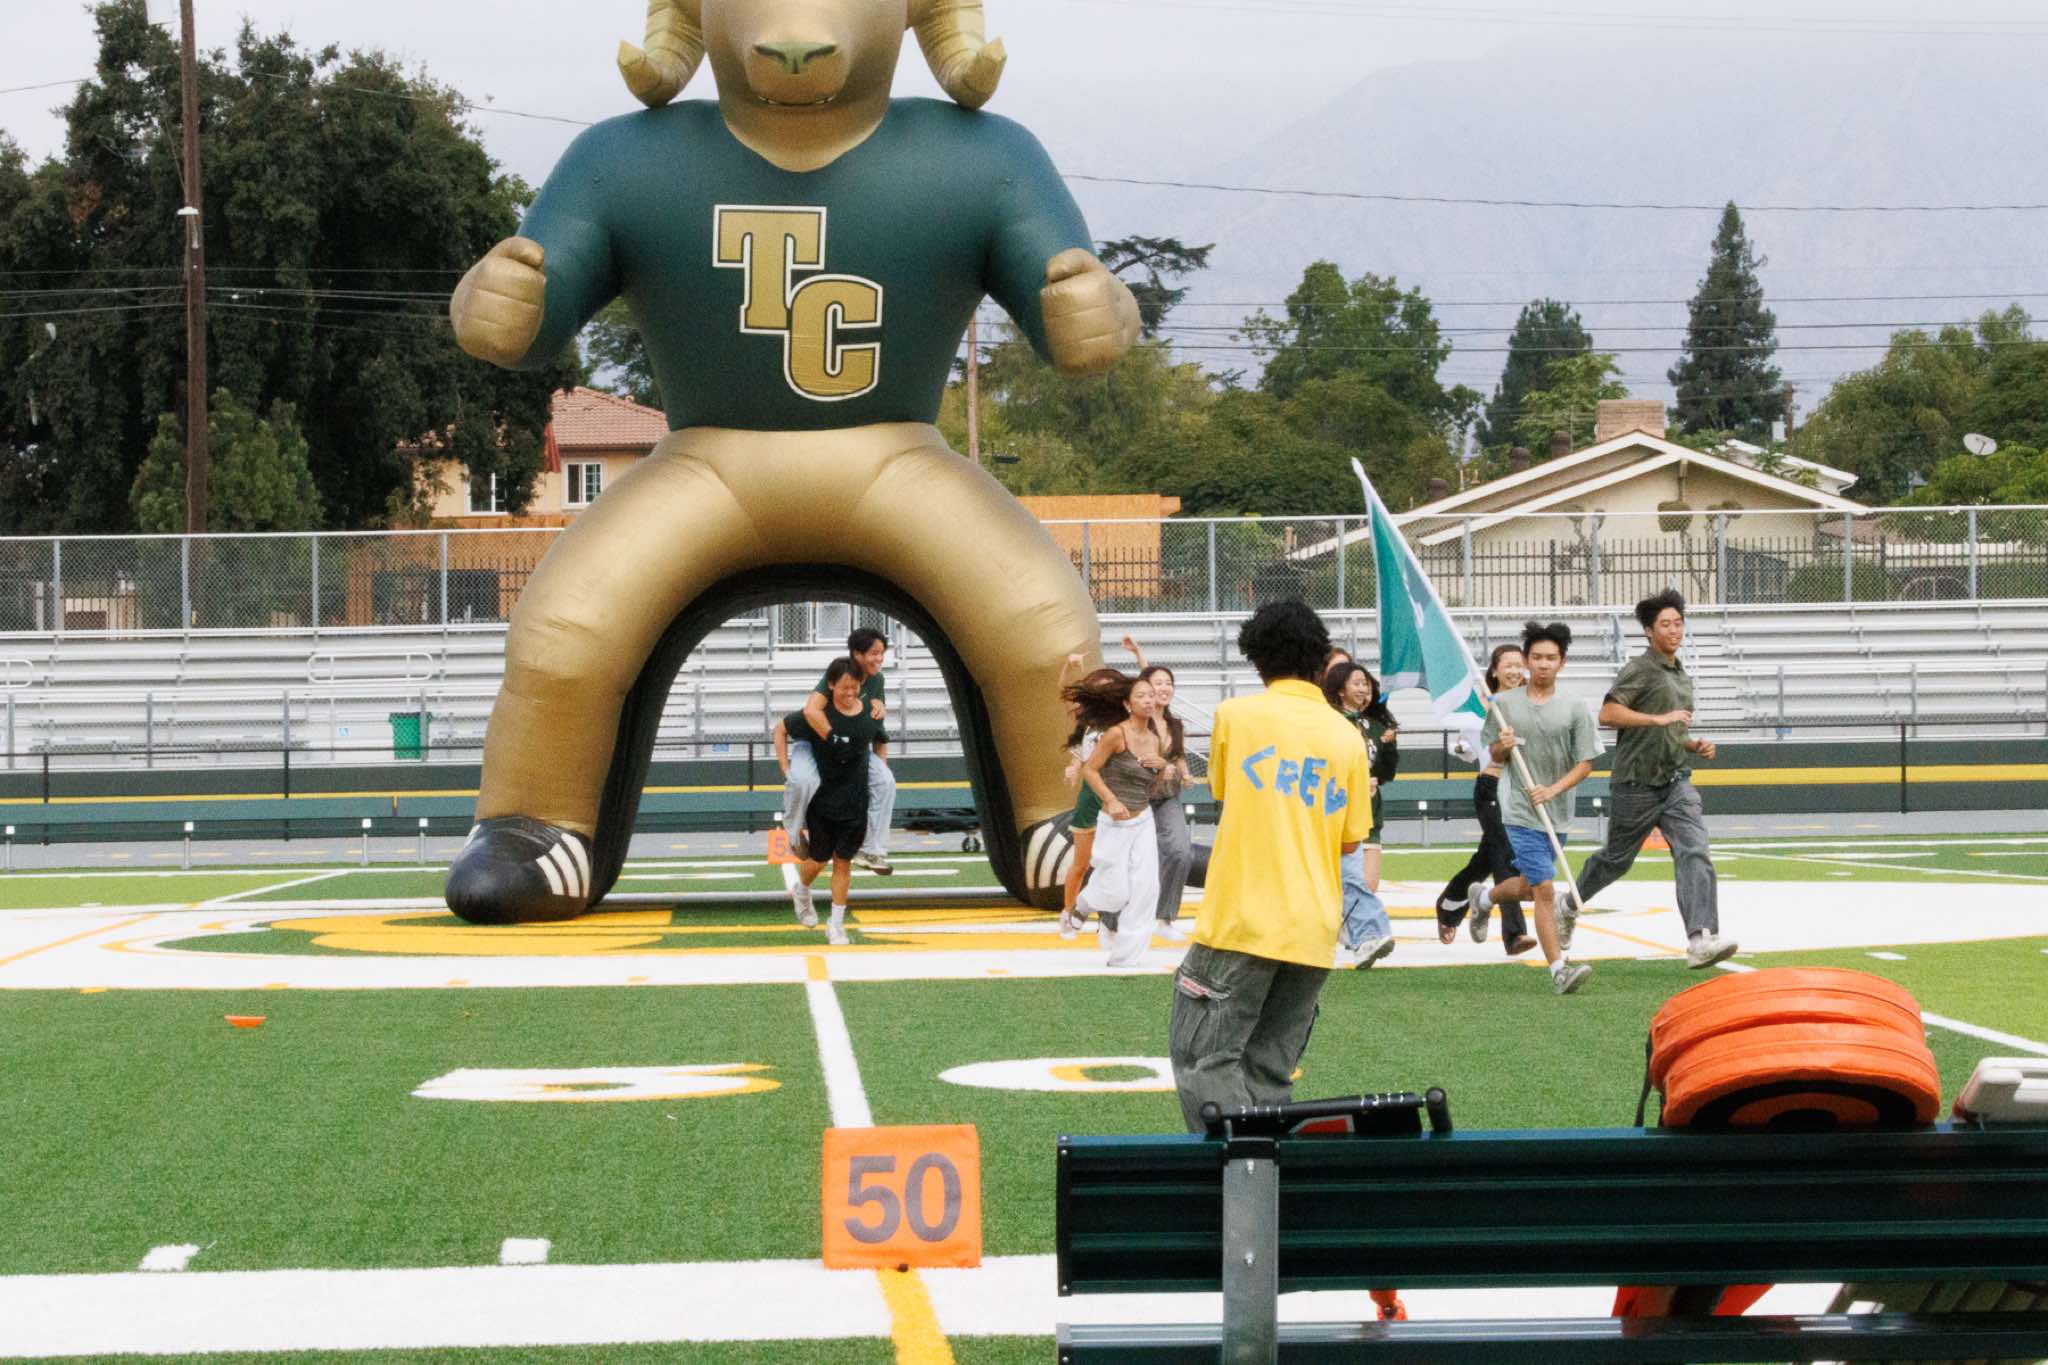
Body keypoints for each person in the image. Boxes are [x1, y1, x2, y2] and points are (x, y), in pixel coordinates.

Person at [1170, 599, 1372, 1129]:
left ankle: (1234, 1169)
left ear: (1257, 660)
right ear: (1321, 660)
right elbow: (1351, 842)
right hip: (1314, 928)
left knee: (1203, 1060)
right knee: (1269, 1072)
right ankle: (1267, 1176)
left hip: (1242, 918)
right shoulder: (1347, 736)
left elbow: (1221, 789)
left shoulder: (1235, 716)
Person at [1570, 589, 1738, 970]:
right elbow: (1608, 714)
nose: (1674, 630)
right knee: (1615, 860)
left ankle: (1700, 939)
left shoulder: (1682, 675)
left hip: (1676, 780)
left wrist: (1694, 744)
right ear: (1648, 631)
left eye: (1678, 623)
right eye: (1665, 624)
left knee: (1694, 850)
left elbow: (1674, 731)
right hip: (1636, 783)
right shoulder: (1640, 669)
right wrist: (1656, 719)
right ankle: (1569, 904)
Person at [1473, 621, 1598, 995]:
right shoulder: (1503, 705)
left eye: (1551, 658)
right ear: (1527, 661)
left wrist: (1553, 790)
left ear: (1562, 662)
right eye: (1537, 657)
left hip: (1557, 812)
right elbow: (1493, 754)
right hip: (1519, 809)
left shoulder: (1575, 707)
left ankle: (1484, 898)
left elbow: (1586, 763)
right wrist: (1503, 746)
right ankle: (1559, 969)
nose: (1543, 664)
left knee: (1528, 886)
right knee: (1544, 889)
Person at [1435, 645, 1538, 956]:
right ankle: (1514, 934)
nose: (1514, 671)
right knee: (1506, 855)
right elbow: (1468, 748)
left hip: (1522, 790)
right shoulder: (1482, 705)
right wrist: (1461, 747)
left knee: (1486, 858)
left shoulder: (1532, 704)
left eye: (1519, 665)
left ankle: (1448, 906)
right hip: (1491, 787)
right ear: (1494, 670)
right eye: (1508, 665)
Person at [781, 657, 889, 945]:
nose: (850, 692)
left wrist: (881, 771)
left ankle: (836, 925)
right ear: (830, 685)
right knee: (818, 860)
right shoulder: (816, 715)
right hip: (823, 803)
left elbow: (881, 739)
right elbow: (780, 729)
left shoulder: (871, 713)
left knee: (843, 863)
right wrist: (786, 770)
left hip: (856, 803)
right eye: (844, 687)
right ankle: (802, 890)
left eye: (855, 687)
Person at [781, 627, 897, 874]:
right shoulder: (838, 673)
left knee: (885, 782)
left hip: (853, 746)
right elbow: (811, 710)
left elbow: (878, 729)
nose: (879, 658)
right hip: (816, 742)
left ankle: (871, 849)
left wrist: (879, 768)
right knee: (802, 780)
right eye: (874, 653)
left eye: (882, 653)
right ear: (857, 654)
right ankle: (793, 833)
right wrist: (834, 740)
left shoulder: (877, 680)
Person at [1072, 671, 1167, 966]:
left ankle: (1125, 957)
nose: (1148, 700)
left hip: (1143, 819)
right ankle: (1084, 902)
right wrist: (1110, 799)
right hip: (1114, 823)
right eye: (1141, 696)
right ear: (1127, 704)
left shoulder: (1155, 739)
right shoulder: (1116, 734)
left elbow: (1154, 785)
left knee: (1147, 889)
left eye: (1151, 696)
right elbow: (1089, 769)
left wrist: (1162, 766)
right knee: (1116, 892)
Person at [1058, 638, 1148, 938]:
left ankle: (1110, 923)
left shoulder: (1127, 721)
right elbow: (1064, 692)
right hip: (1092, 796)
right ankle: (1068, 913)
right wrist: (1069, 666)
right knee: (1082, 864)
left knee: (1118, 865)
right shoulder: (1087, 720)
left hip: (1121, 794)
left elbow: (1148, 689)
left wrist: (1138, 655)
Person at [1321, 662, 1395, 968]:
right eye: (1357, 683)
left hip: (1359, 810)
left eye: (1366, 683)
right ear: (1339, 689)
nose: (1364, 689)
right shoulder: (1329, 722)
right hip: (1332, 807)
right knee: (1347, 877)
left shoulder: (1367, 725)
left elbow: (1385, 771)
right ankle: (1368, 934)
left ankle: (1363, 937)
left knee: (1353, 876)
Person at [1138, 663, 1195, 943]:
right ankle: (1111, 923)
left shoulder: (1175, 725)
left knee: (1181, 852)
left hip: (1167, 796)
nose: (1164, 688)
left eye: (1168, 683)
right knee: (1130, 859)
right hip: (1136, 797)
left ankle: (1165, 917)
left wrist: (1185, 774)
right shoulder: (1136, 722)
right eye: (1158, 683)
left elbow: (1178, 755)